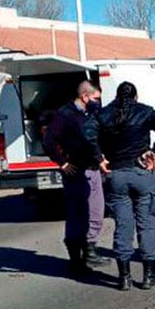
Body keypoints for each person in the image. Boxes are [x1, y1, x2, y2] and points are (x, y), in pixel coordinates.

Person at [84, 81, 155, 291]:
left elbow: (87, 132)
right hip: (141, 171)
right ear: (136, 96)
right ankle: (148, 275)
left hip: (116, 173)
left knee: (123, 225)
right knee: (146, 224)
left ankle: (124, 277)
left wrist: (99, 158)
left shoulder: (104, 114)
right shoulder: (144, 112)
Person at [43, 80, 110, 276]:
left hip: (93, 169)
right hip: (76, 170)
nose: (99, 102)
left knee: (96, 213)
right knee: (77, 215)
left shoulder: (92, 114)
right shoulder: (65, 115)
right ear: (85, 96)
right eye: (96, 98)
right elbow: (49, 140)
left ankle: (88, 251)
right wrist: (62, 162)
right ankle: (77, 259)